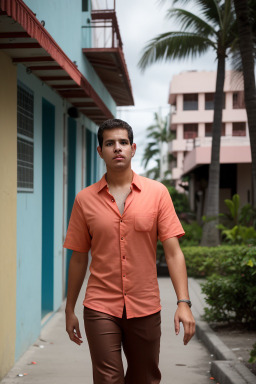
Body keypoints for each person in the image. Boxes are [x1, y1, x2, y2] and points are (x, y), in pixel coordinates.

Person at [64, 118, 195, 384]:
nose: (117, 148)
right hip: (100, 304)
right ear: (100, 151)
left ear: (133, 148)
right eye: (110, 143)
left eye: (123, 142)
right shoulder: (84, 199)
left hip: (145, 306)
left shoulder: (157, 193)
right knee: (107, 380)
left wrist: (184, 303)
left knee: (145, 378)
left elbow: (173, 252)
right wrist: (70, 309)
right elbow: (78, 257)